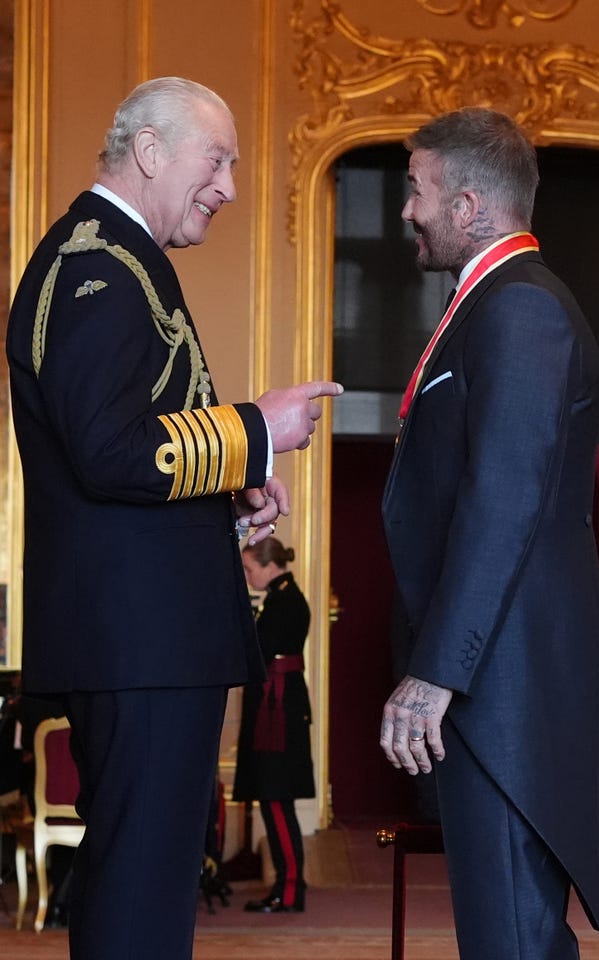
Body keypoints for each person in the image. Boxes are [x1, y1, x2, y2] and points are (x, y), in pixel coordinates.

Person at [6, 76, 342, 960]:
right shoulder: (96, 267)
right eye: (218, 159)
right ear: (151, 153)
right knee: (141, 892)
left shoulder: (118, 260)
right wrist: (253, 429)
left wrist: (233, 490)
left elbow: (128, 452)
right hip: (140, 647)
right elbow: (110, 451)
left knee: (148, 887)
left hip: (146, 639)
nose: (230, 185)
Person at [379, 107, 599, 960]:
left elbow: (503, 501)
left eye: (417, 191)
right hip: (497, 681)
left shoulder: (521, 309)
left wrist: (433, 675)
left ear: (472, 204)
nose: (406, 210)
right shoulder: (491, 303)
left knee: (513, 939)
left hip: (505, 686)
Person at [233, 537, 314, 913]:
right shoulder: (281, 597)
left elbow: (258, 650)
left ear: (269, 565)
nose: (248, 576)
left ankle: (290, 887)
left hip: (277, 711)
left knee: (276, 798)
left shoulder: (285, 601)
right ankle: (287, 884)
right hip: (276, 708)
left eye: (250, 569)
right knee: (273, 798)